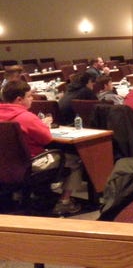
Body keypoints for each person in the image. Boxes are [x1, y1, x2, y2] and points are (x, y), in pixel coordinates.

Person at [0, 80, 83, 215]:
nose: (32, 99)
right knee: (75, 160)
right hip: (29, 164)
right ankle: (64, 202)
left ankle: (33, 194)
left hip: (5, 165)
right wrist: (43, 125)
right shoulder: (26, 117)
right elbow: (47, 139)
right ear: (19, 99)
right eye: (29, 96)